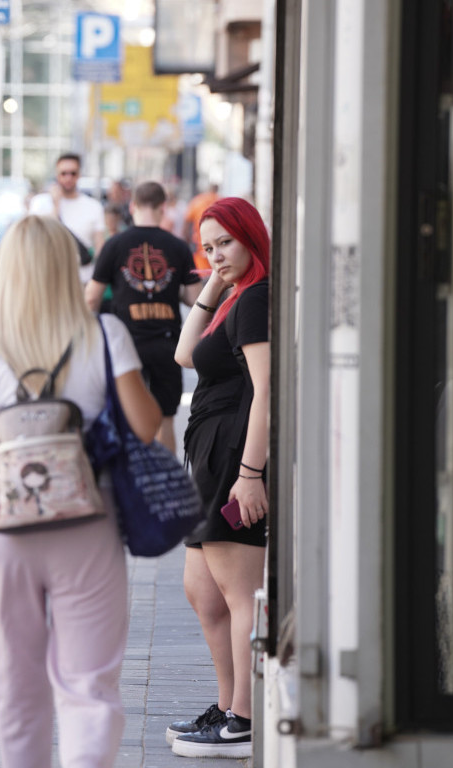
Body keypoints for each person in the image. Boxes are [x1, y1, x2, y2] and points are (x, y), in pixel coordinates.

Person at [0, 214, 161, 768]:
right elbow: (146, 426)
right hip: (88, 526)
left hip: (8, 530)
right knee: (90, 690)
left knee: (17, 695)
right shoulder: (104, 334)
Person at [168, 197, 270, 758]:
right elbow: (186, 353)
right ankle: (229, 704)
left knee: (237, 593)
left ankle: (244, 719)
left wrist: (251, 473)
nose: (216, 255)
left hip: (234, 457)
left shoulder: (257, 299)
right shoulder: (237, 296)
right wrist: (214, 281)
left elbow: (266, 391)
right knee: (202, 590)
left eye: (225, 243)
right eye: (207, 248)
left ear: (250, 236)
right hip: (209, 458)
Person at [86, 181, 204, 454]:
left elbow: (91, 297)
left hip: (125, 343)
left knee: (125, 416)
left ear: (132, 206)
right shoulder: (178, 247)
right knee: (165, 418)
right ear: (164, 208)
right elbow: (194, 299)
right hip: (167, 343)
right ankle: (164, 487)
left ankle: (133, 482)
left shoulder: (115, 244)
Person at [29, 152, 107, 256]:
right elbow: (35, 239)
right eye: (63, 173)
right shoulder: (39, 203)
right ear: (57, 175)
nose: (68, 178)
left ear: (79, 175)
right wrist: (55, 206)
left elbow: (99, 246)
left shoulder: (94, 206)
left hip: (82, 270)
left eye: (73, 173)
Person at [183, 183, 221, 270]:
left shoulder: (197, 201)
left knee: (203, 270)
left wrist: (187, 240)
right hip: (218, 240)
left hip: (200, 241)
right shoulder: (220, 200)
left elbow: (186, 223)